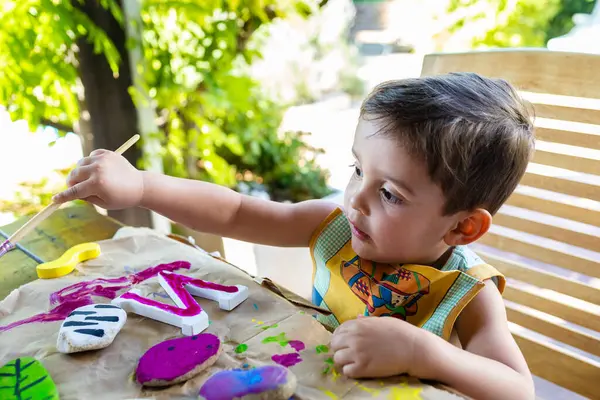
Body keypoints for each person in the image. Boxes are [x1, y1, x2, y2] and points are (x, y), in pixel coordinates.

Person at [53, 72, 536, 400]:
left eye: (389, 194)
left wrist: (424, 352)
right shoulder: (334, 227)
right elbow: (237, 210)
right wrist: (142, 185)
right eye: (357, 170)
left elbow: (518, 388)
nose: (354, 200)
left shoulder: (466, 291)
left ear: (461, 226)